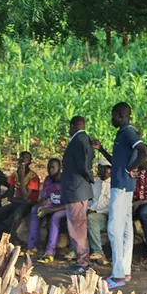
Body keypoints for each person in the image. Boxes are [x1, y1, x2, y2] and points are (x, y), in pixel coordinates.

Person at [93, 102, 147, 289]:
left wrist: (129, 169)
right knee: (125, 228)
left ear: (120, 115)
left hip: (121, 187)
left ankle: (117, 276)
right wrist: (101, 149)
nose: (111, 119)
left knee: (114, 229)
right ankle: (125, 271)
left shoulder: (128, 132)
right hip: (126, 186)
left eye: (113, 115)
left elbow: (144, 152)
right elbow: (117, 162)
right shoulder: (123, 134)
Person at [61, 116, 95, 275]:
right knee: (76, 227)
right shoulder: (84, 140)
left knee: (78, 228)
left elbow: (83, 166)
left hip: (76, 190)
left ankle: (83, 263)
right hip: (78, 189)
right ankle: (81, 261)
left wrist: (89, 178)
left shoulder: (78, 141)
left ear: (73, 126)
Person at [0, 151, 40, 241]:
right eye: (21, 157)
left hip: (30, 204)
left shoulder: (33, 177)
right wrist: (19, 201)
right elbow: (10, 197)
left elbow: (26, 197)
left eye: (26, 158)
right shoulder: (14, 175)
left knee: (16, 216)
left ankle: (13, 238)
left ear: (30, 162)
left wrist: (22, 177)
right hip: (19, 202)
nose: (23, 160)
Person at [26, 158, 66, 263]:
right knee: (35, 210)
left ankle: (50, 252)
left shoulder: (66, 181)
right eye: (48, 167)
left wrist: (48, 211)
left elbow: (69, 205)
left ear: (60, 168)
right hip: (51, 205)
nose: (50, 170)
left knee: (55, 217)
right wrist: (42, 204)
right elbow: (44, 197)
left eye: (53, 167)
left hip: (64, 208)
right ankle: (32, 246)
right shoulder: (48, 180)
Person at [87, 157, 112, 264]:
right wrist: (88, 208)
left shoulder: (113, 185)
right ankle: (76, 251)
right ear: (99, 168)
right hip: (94, 212)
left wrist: (94, 210)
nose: (106, 170)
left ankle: (98, 252)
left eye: (109, 168)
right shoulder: (96, 184)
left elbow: (110, 206)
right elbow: (91, 201)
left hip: (106, 216)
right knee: (79, 216)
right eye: (104, 167)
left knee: (91, 218)